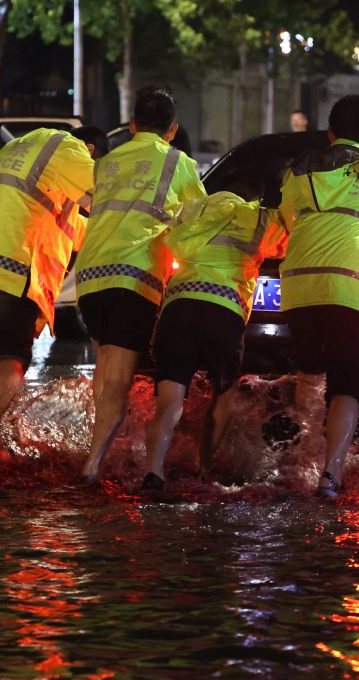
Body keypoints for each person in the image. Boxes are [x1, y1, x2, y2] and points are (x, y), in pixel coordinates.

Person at [0, 125, 107, 468]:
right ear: (91, 149)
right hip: (11, 259)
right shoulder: (68, 149)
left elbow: (76, 226)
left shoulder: (20, 151)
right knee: (14, 355)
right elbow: (107, 195)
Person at [76, 86, 207, 483]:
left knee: (105, 371)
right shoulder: (178, 163)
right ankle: (91, 468)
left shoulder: (108, 161)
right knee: (117, 379)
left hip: (89, 280)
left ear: (132, 125)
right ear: (173, 130)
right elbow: (202, 219)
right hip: (132, 279)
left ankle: (98, 452)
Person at [278, 94, 359, 498]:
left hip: (298, 286)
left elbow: (286, 218)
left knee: (310, 372)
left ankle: (300, 462)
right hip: (349, 288)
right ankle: (330, 474)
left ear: (330, 133)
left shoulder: (297, 169)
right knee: (346, 383)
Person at [143, 182, 288, 490]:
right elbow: (288, 241)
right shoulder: (257, 217)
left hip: (178, 308)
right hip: (223, 310)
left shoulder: (190, 211)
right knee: (223, 395)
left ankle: (153, 470)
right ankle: (203, 468)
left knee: (169, 401)